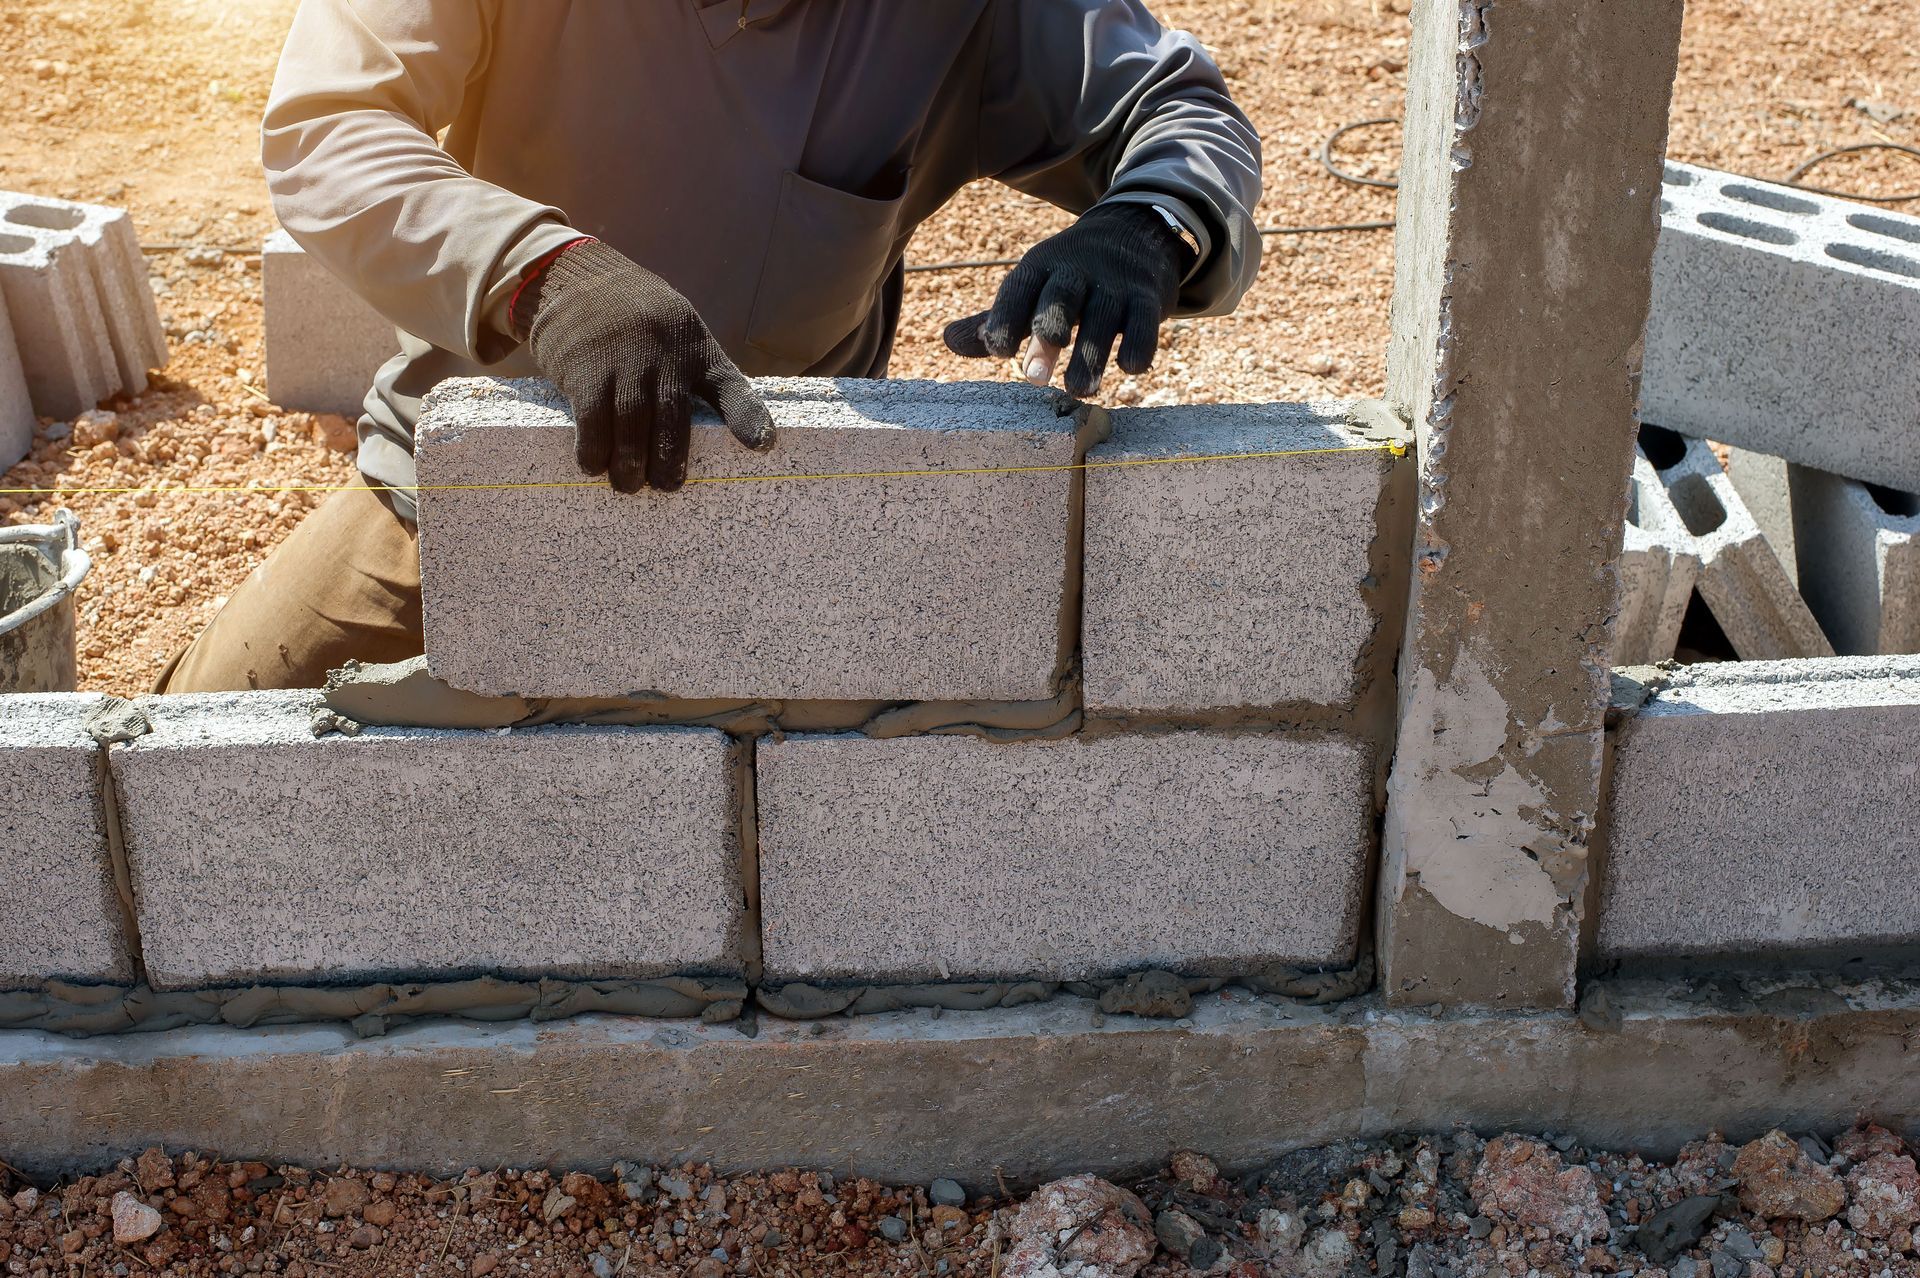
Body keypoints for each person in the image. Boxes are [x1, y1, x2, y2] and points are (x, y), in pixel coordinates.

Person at [156, 0, 1262, 694]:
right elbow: (330, 131)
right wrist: (548, 275)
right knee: (190, 754)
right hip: (470, 488)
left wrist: (1149, 225)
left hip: (785, 513)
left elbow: (1182, 113)